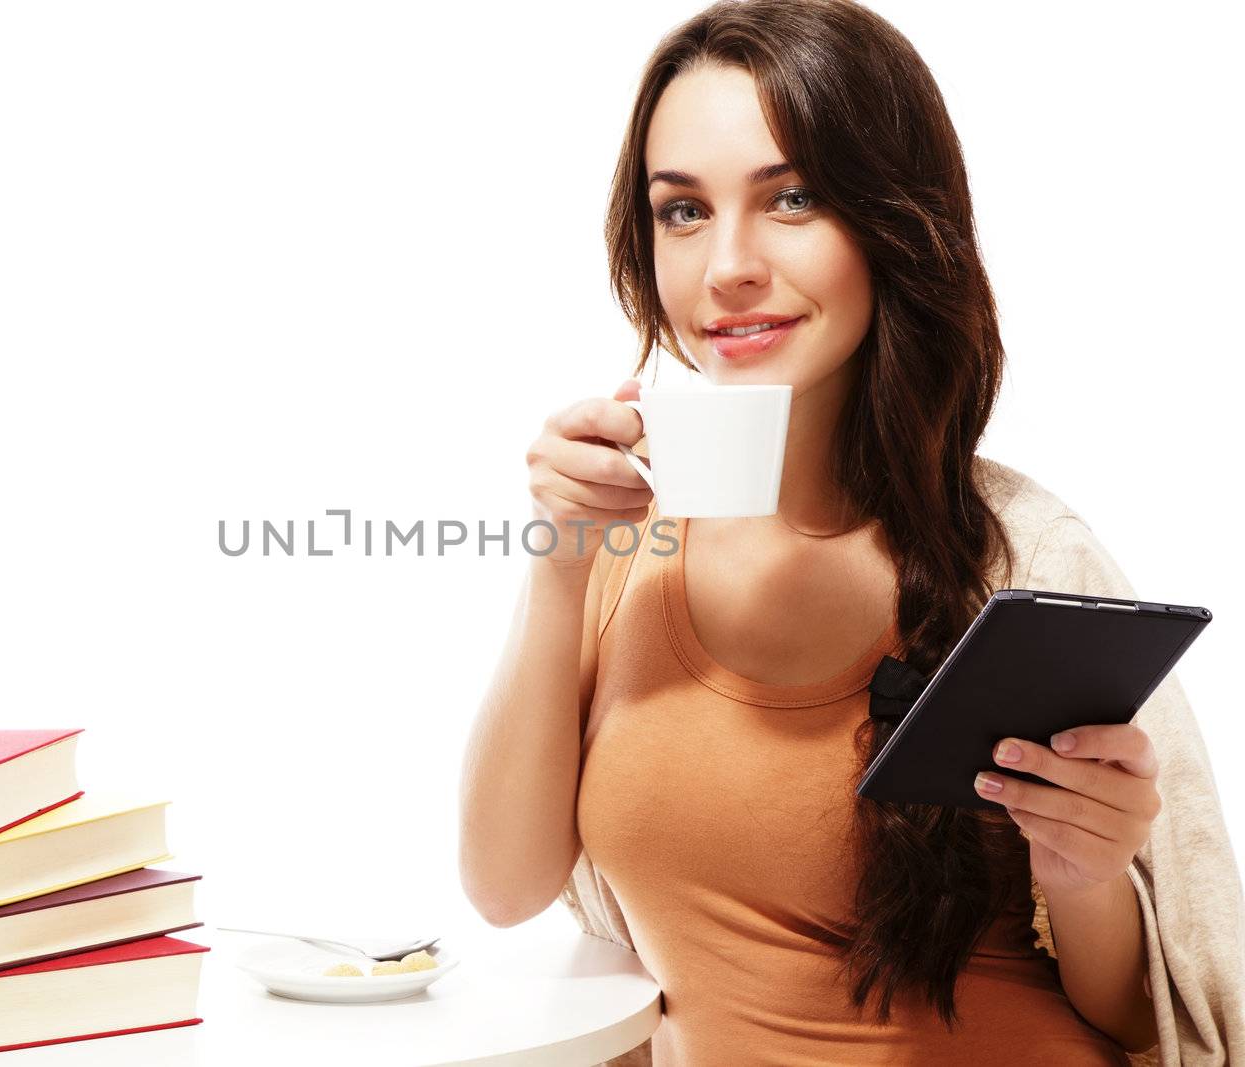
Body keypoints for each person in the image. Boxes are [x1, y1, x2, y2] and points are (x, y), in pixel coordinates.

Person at [455, 2, 1244, 1065]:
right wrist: (559, 559)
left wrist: (1086, 869)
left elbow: (1141, 1016)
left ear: (892, 221)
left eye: (791, 198)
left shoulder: (1022, 559)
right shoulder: (621, 543)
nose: (725, 264)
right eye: (681, 211)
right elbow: (504, 888)